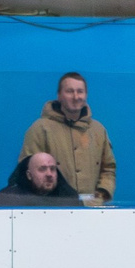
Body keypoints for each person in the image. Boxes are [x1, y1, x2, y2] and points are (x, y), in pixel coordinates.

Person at [19, 72, 116, 204]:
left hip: (92, 211)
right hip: (53, 210)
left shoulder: (99, 130)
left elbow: (108, 168)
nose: (76, 97)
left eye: (80, 91)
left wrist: (101, 194)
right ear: (59, 96)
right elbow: (27, 170)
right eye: (70, 91)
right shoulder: (40, 129)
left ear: (86, 95)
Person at [0, 151, 83, 206]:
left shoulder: (70, 198)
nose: (49, 174)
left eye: (53, 169)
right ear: (29, 175)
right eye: (42, 169)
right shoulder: (8, 199)